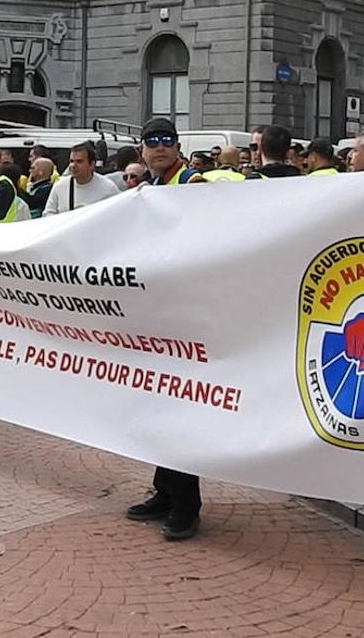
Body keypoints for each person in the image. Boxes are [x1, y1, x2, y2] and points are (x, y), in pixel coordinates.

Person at [126, 116, 204, 542]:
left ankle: (187, 505)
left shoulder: (192, 183)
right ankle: (164, 489)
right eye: (151, 142)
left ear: (177, 146)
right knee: (156, 404)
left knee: (179, 409)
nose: (159, 148)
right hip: (153, 311)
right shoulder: (147, 190)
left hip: (184, 315)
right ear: (142, 149)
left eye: (166, 141)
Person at [43, 142, 119, 215]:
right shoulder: (59, 186)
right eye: (71, 161)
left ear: (92, 165)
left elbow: (117, 215)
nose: (73, 165)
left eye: (79, 161)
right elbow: (48, 213)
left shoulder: (108, 188)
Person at [139, 118, 204, 185]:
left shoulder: (193, 181)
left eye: (168, 141)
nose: (160, 148)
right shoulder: (146, 182)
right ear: (141, 149)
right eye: (152, 141)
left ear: (178, 148)